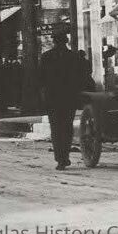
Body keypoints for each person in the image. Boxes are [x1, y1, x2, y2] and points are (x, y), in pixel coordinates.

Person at [39, 33, 82, 170]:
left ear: (54, 41)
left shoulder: (46, 57)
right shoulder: (74, 57)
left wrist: (43, 95)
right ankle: (65, 156)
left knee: (56, 128)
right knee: (67, 127)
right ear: (66, 41)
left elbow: (40, 79)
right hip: (69, 97)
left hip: (52, 98)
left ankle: (60, 158)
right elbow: (79, 78)